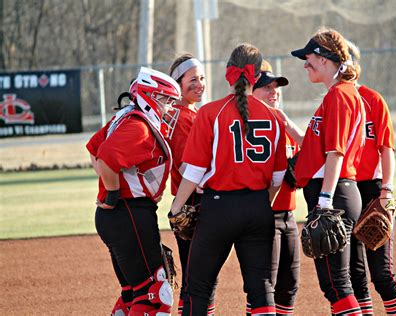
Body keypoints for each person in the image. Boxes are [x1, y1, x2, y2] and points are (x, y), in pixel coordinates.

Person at [169, 43, 288, 316]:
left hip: (219, 208)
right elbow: (278, 178)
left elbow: (194, 171)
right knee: (261, 288)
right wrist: (260, 203)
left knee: (197, 287)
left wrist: (175, 208)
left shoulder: (211, 113)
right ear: (256, 77)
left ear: (228, 74)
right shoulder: (274, 117)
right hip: (259, 208)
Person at [86, 67, 181, 316]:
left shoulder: (127, 117)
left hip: (119, 215)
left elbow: (94, 150)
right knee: (153, 294)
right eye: (165, 99)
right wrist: (114, 192)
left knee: (133, 293)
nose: (169, 107)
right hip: (128, 211)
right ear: (147, 95)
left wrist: (115, 187)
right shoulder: (139, 126)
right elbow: (105, 159)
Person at [289, 28, 365, 315]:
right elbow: (317, 149)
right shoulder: (339, 94)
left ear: (323, 58)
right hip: (337, 193)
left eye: (308, 58)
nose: (305, 65)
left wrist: (324, 201)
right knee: (342, 282)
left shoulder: (339, 96)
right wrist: (284, 123)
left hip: (333, 196)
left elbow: (335, 153)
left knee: (336, 284)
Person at [347, 40, 396, 315]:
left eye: (346, 60)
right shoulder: (332, 103)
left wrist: (386, 192)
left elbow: (387, 149)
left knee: (382, 274)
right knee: (354, 275)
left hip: (373, 190)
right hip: (345, 191)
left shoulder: (373, 100)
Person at [248, 59, 300, 316]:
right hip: (263, 217)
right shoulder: (250, 128)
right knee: (264, 288)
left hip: (288, 215)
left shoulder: (284, 124)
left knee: (290, 285)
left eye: (276, 86)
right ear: (251, 92)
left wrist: (290, 126)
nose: (274, 91)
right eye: (266, 87)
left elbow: (309, 158)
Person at [166, 53, 216, 316]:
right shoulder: (184, 116)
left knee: (195, 275)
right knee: (199, 277)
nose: (200, 84)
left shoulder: (186, 113)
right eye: (192, 79)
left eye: (202, 77)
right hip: (193, 201)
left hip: (185, 199)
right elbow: (189, 170)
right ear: (177, 83)